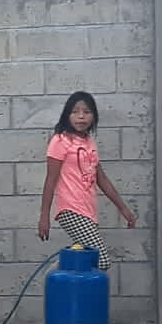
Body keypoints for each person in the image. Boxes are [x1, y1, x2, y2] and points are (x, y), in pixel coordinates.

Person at [37, 90, 136, 269]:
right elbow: (50, 180)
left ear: (94, 116)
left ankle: (56, 276)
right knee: (101, 261)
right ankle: (54, 277)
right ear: (67, 115)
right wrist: (44, 216)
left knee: (84, 255)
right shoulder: (60, 141)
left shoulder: (89, 142)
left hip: (88, 211)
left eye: (87, 112)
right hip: (71, 210)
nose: (81, 116)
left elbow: (101, 178)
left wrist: (123, 209)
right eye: (75, 112)